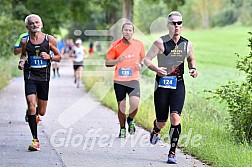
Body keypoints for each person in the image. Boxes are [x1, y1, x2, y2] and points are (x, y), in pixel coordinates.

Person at [144, 11, 197, 164]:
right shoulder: (160, 43)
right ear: (168, 25)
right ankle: (156, 129)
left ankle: (172, 152)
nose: (176, 26)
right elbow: (147, 59)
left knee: (175, 117)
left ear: (182, 25)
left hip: (178, 84)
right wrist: (156, 69)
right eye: (173, 23)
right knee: (162, 121)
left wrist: (193, 68)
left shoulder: (188, 44)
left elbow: (191, 59)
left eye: (179, 23)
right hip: (162, 85)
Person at [18, 14, 61, 151]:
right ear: (27, 26)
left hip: (44, 77)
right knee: (31, 104)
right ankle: (35, 140)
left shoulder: (49, 40)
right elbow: (24, 55)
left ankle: (34, 113)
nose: (34, 25)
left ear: (41, 24)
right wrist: (22, 62)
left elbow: (59, 57)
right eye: (31, 23)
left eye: (37, 22)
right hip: (30, 76)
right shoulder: (25, 41)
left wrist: (50, 57)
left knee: (41, 112)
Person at [105, 22, 145, 138]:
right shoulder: (115, 45)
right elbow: (107, 62)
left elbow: (143, 58)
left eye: (130, 30)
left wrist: (141, 65)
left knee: (135, 104)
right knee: (122, 107)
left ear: (133, 32)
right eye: (125, 30)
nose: (127, 32)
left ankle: (130, 119)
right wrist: (117, 61)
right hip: (119, 80)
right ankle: (122, 128)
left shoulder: (139, 44)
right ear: (122, 31)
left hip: (133, 79)